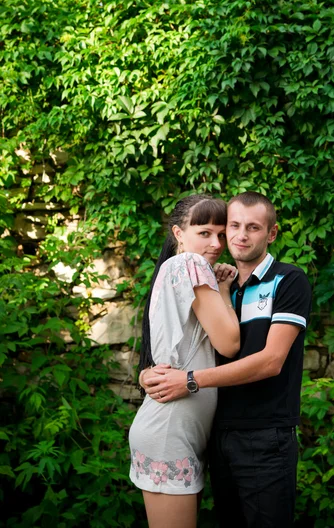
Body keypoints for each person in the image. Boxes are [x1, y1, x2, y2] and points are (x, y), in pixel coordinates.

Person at [142, 191, 312, 528]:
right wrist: (149, 373)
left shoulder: (288, 279)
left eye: (252, 227)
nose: (237, 236)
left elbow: (271, 361)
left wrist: (189, 380)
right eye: (231, 226)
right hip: (218, 436)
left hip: (265, 436)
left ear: (271, 233)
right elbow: (181, 344)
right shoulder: (221, 284)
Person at [129, 194, 240, 528]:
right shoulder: (187, 265)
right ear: (178, 233)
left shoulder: (178, 270)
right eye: (204, 232)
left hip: (178, 428)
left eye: (221, 234)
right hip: (170, 430)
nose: (217, 243)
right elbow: (230, 343)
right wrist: (222, 291)